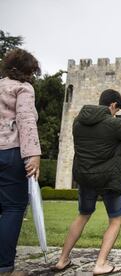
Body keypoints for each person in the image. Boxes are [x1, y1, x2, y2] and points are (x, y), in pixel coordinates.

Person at [53, 89, 121, 275]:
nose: (115, 113)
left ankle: (62, 260)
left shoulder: (77, 121)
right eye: (116, 109)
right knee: (115, 219)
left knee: (83, 215)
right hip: (109, 179)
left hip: (85, 177)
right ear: (113, 105)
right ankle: (101, 264)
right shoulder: (113, 124)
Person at [0, 48, 42, 276]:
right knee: (13, 208)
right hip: (10, 152)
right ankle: (4, 266)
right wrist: (33, 154)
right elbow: (25, 121)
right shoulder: (23, 88)